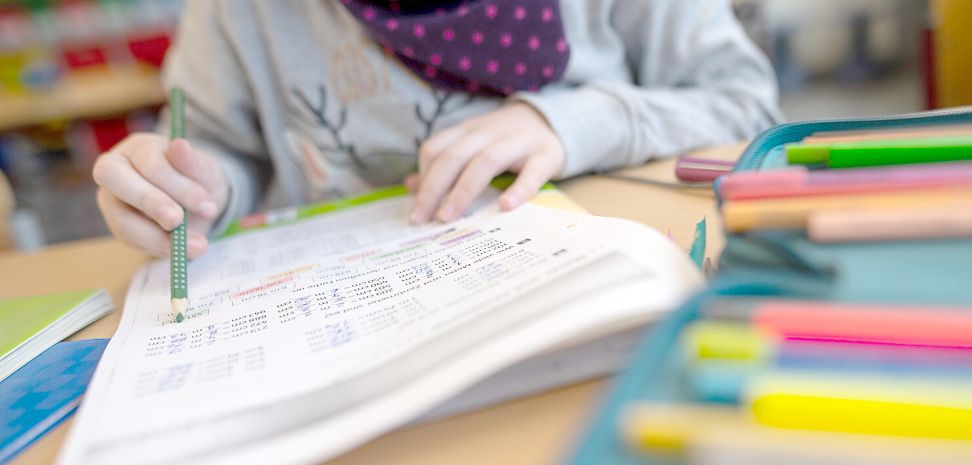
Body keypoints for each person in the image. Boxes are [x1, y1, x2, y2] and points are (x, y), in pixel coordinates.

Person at [94, 0, 781, 259]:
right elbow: (223, 152)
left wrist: (572, 119)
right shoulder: (235, 15)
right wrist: (195, 183)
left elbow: (745, 103)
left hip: (599, 295)